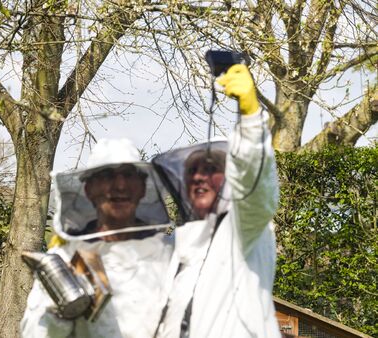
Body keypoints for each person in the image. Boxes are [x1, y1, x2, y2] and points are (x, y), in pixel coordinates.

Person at [152, 64, 281, 337]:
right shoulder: (179, 244)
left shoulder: (244, 229)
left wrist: (250, 121)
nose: (199, 177)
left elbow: (256, 189)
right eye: (193, 171)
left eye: (211, 169)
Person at [21, 138, 173, 338]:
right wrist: (57, 313)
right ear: (89, 189)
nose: (120, 185)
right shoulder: (66, 257)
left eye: (128, 175)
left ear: (143, 188)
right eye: (107, 176)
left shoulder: (171, 253)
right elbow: (34, 334)